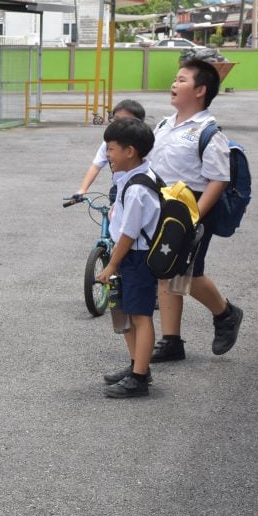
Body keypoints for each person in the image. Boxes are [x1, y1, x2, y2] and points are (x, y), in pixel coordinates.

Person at [149, 59, 243, 363]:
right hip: (162, 205)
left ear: (201, 90)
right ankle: (172, 341)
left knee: (186, 273)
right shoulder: (164, 124)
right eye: (175, 79)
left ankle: (226, 314)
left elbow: (219, 179)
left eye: (182, 80)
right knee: (167, 270)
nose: (173, 84)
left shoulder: (208, 132)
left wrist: (193, 217)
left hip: (193, 208)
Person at [95, 117, 160, 398]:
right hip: (132, 258)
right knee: (130, 314)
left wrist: (111, 264)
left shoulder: (137, 188)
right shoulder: (134, 177)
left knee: (140, 316)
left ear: (129, 151)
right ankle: (137, 364)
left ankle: (140, 378)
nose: (107, 154)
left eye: (111, 149)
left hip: (137, 259)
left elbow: (130, 233)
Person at [73, 99, 147, 201]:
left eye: (125, 121)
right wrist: (82, 189)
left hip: (140, 189)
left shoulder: (145, 143)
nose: (119, 125)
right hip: (117, 189)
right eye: (116, 120)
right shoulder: (109, 143)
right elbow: (96, 166)